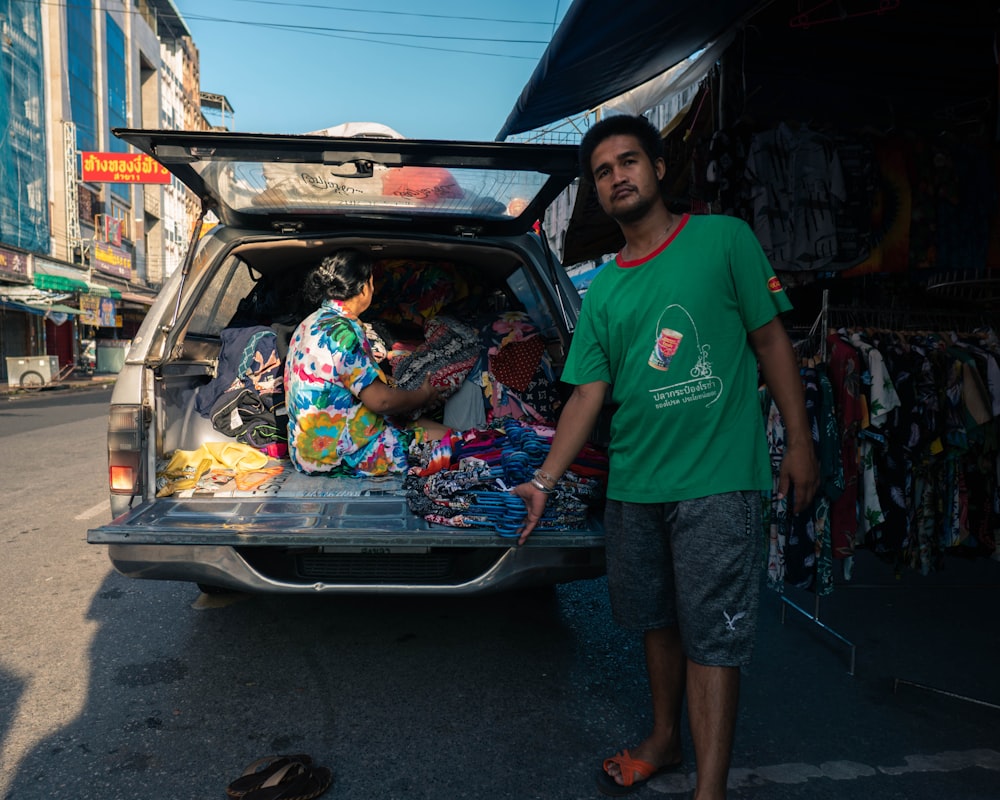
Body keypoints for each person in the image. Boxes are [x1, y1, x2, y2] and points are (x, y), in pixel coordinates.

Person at [514, 115, 819, 799]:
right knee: (655, 620)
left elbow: (772, 343)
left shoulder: (724, 240)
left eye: (628, 160)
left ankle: (709, 790)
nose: (617, 175)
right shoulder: (605, 293)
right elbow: (588, 396)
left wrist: (800, 442)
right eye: (603, 170)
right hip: (635, 486)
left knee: (713, 636)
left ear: (656, 168)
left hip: (718, 481)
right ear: (596, 190)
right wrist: (542, 480)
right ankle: (663, 739)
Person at [284, 248, 449, 476]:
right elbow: (380, 402)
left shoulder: (309, 323)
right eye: (372, 282)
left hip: (307, 453)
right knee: (458, 445)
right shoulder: (343, 331)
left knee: (424, 426)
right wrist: (423, 395)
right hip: (340, 455)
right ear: (363, 289)